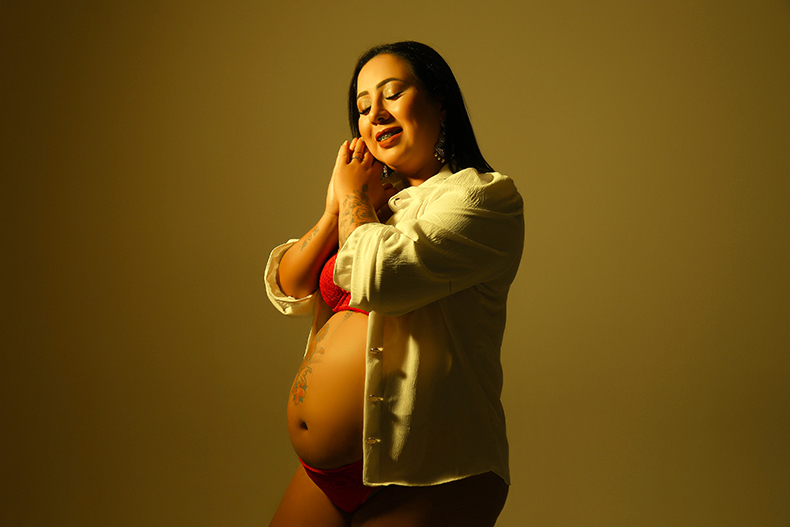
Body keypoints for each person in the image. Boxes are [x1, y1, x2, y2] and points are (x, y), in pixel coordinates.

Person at [264, 41, 524, 526]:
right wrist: (335, 209)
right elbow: (290, 285)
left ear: (440, 102)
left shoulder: (482, 198)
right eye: (363, 107)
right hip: (327, 474)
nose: (376, 114)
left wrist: (353, 198)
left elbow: (379, 279)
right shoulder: (373, 206)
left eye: (392, 94)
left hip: (427, 470)